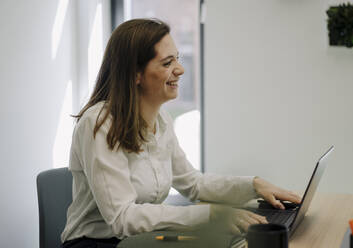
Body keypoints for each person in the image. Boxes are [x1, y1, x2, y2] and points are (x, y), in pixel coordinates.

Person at [61, 18, 301, 248]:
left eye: (177, 59)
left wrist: (254, 185)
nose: (181, 69)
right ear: (135, 73)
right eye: (167, 63)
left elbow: (194, 183)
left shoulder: (161, 119)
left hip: (139, 239)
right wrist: (209, 215)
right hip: (96, 243)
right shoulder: (100, 125)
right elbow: (123, 218)